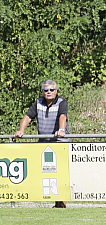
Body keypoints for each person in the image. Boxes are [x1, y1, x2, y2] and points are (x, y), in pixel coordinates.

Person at [14, 79, 69, 208]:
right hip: (43, 143)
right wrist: (21, 130)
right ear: (42, 91)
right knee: (46, 171)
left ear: (56, 91)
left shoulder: (62, 102)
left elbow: (63, 116)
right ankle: (52, 198)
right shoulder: (38, 103)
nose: (48, 92)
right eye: (46, 90)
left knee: (60, 172)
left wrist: (61, 129)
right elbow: (28, 117)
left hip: (59, 143)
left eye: (51, 90)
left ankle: (62, 201)